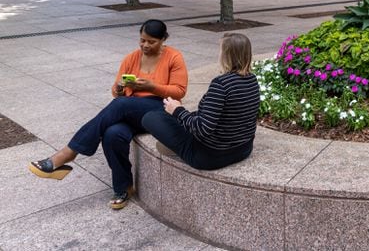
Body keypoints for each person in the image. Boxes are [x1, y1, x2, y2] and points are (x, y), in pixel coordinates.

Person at [28, 19, 188, 210]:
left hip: (159, 109)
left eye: (151, 42)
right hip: (129, 108)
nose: (145, 45)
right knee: (113, 134)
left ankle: (67, 153)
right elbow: (116, 92)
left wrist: (151, 86)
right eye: (142, 40)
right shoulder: (131, 58)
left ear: (163, 39)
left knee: (120, 105)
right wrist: (120, 88)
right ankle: (124, 187)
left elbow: (179, 91)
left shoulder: (174, 57)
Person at [141, 33, 260, 171]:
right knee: (174, 116)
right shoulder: (252, 80)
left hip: (209, 156)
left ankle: (174, 145)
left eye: (221, 50)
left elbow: (203, 129)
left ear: (226, 55)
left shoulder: (221, 84)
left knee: (151, 117)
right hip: (243, 150)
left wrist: (177, 110)